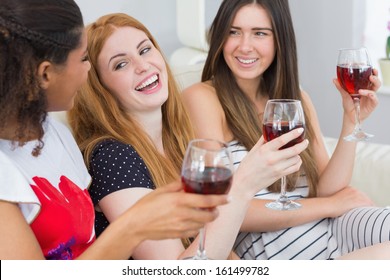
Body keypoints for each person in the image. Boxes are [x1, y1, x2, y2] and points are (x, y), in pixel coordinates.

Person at [0, 0, 232, 260]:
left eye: (145, 50)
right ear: (45, 74)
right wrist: (134, 225)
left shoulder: (55, 135)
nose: (88, 71)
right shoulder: (108, 155)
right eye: (84, 59)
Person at [68, 12, 308, 260]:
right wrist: (243, 184)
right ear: (99, 88)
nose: (142, 66)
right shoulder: (112, 156)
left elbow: (215, 241)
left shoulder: (178, 140)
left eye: (145, 50)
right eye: (121, 64)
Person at [181, 0, 390, 260]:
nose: (244, 46)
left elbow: (328, 188)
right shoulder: (202, 98)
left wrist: (350, 119)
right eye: (234, 31)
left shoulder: (296, 98)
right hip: (284, 252)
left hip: (337, 230)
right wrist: (329, 206)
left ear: (280, 39)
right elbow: (223, 206)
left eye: (260, 33)